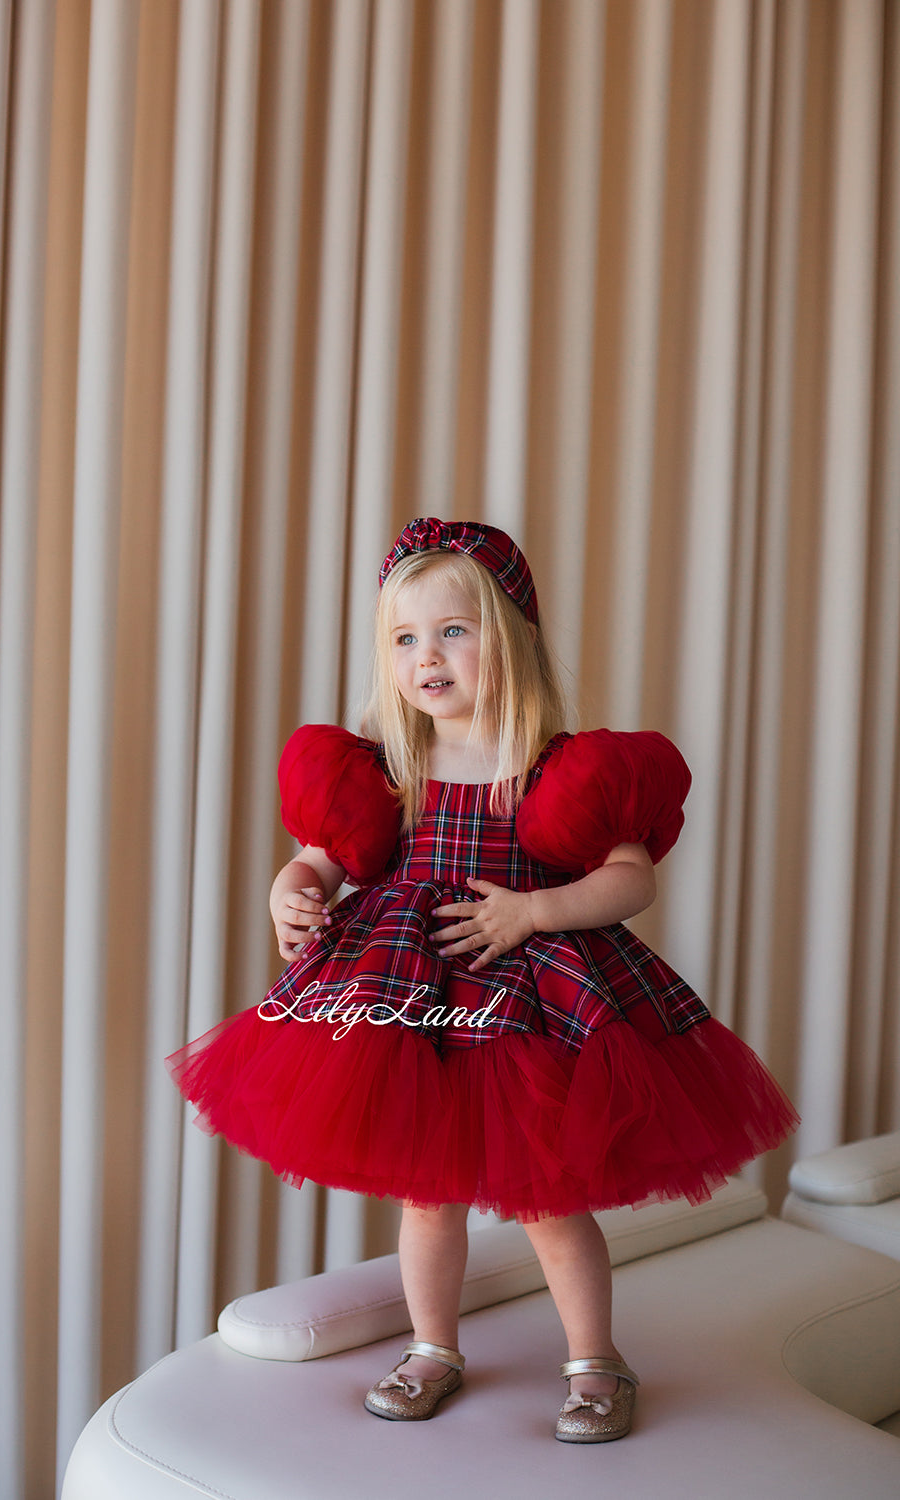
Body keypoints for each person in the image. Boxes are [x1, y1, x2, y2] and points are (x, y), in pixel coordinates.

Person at [168, 517, 798, 1443]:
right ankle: (435, 1348)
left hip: (528, 1001)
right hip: (411, 1005)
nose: (429, 657)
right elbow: (317, 861)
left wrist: (534, 912)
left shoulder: (559, 766)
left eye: (454, 631)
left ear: (510, 637)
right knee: (429, 1193)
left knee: (549, 1193)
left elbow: (632, 878)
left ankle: (596, 1361)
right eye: (406, 638)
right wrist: (290, 893)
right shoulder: (385, 768)